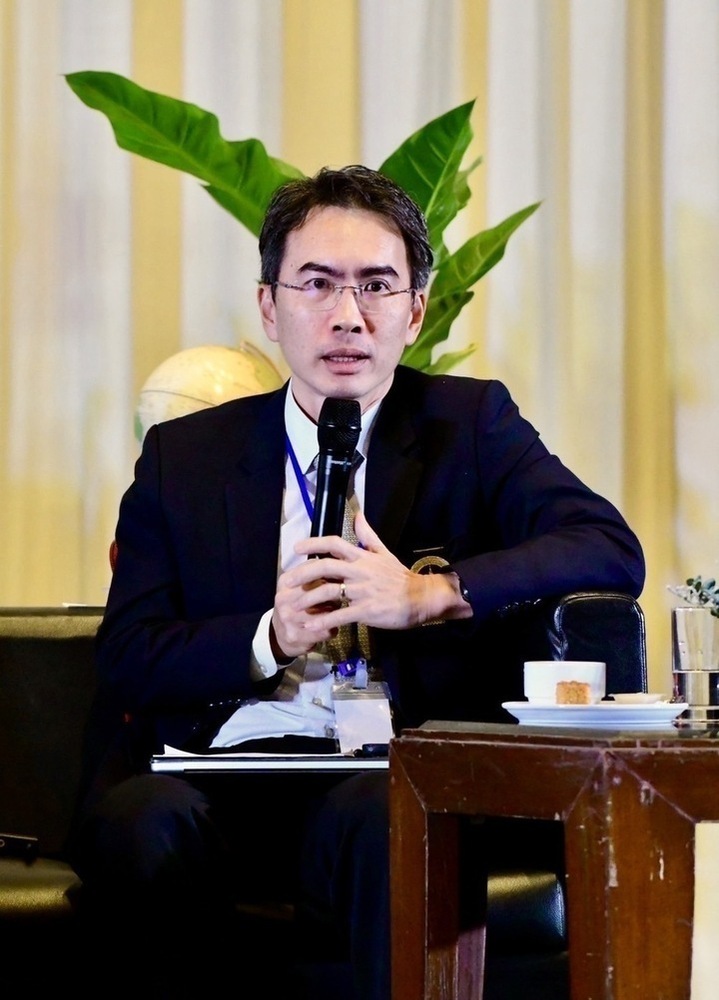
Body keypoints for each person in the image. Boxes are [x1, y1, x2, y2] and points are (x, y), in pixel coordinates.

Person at [68, 164, 645, 999]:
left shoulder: (468, 425)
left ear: (415, 311)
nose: (347, 314)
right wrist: (270, 636)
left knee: (389, 819)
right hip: (213, 772)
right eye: (317, 284)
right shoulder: (184, 457)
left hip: (376, 775)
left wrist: (431, 593)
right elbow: (128, 654)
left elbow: (606, 547)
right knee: (143, 823)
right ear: (270, 307)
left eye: (376, 285)